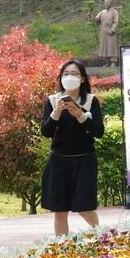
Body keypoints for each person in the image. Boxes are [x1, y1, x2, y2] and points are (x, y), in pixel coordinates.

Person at [40, 59, 104, 236]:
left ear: (82, 78)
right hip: (59, 161)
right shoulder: (53, 100)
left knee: (85, 208)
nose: (69, 77)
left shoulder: (90, 101)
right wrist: (57, 112)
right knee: (60, 211)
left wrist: (80, 115)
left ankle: (101, 237)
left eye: (74, 74)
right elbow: (46, 131)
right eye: (66, 74)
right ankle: (61, 247)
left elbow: (98, 131)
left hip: (84, 160)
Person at [95, 0, 120, 65]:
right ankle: (107, 61)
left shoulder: (115, 12)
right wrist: (91, 17)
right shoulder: (102, 12)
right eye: (105, 2)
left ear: (111, 3)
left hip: (111, 33)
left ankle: (113, 61)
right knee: (104, 47)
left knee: (112, 47)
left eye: (107, 2)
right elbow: (97, 21)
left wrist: (112, 29)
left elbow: (116, 22)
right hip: (103, 32)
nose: (105, 4)